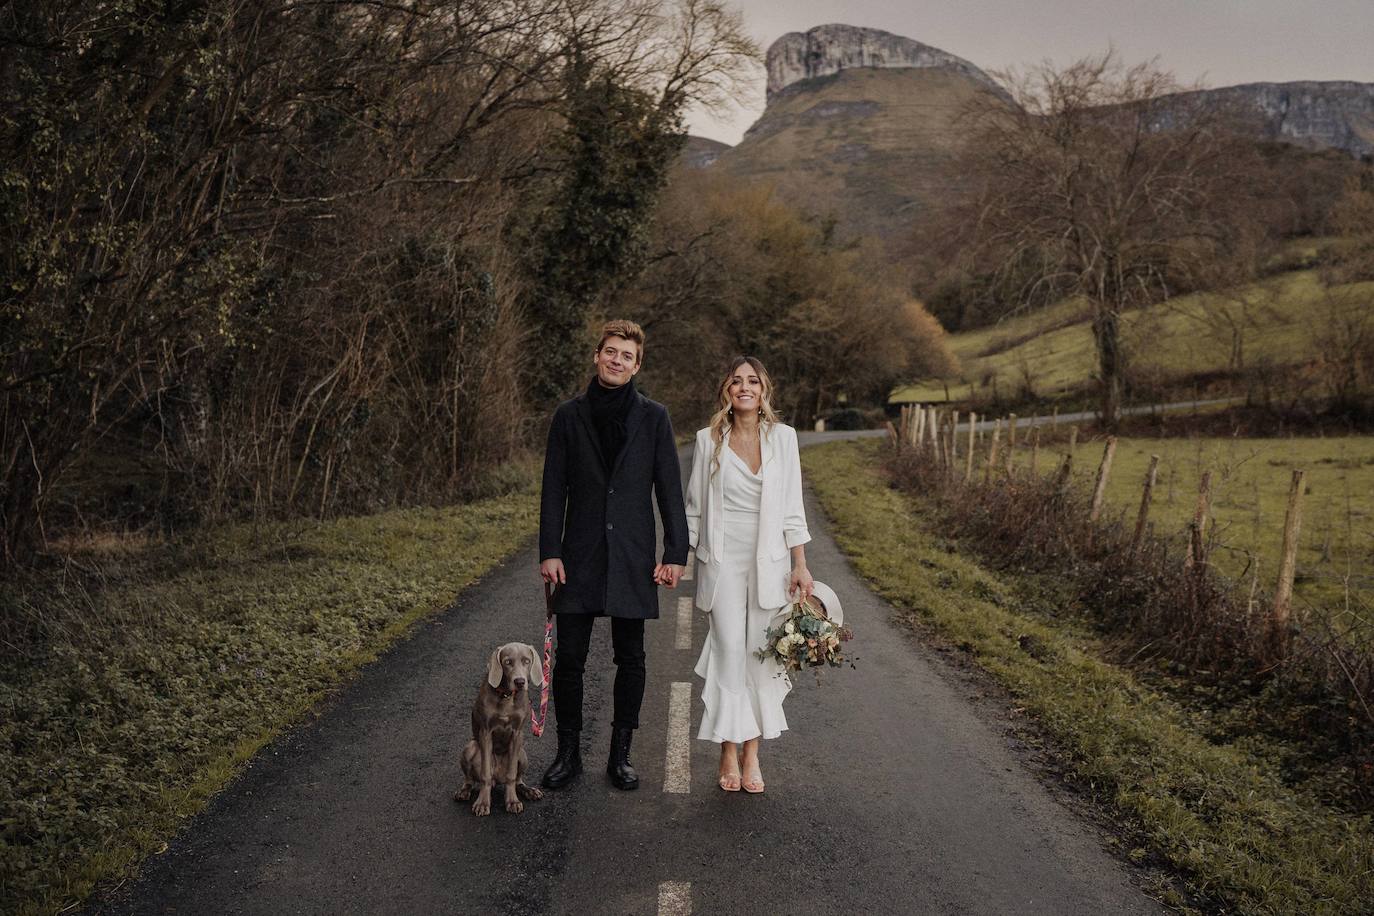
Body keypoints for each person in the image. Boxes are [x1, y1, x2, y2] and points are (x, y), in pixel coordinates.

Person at [538, 319, 689, 791]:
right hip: (578, 555)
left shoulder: (654, 417)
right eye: (610, 351)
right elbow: (552, 490)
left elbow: (668, 488)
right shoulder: (568, 416)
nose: (616, 360)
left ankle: (620, 756)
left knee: (632, 657)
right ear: (596, 355)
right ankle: (567, 755)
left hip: (632, 554)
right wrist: (550, 551)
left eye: (626, 355)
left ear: (637, 364)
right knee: (570, 660)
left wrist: (676, 552)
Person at [684, 356, 812, 794]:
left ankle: (752, 753)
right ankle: (726, 749)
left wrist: (800, 564)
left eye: (752, 381)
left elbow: (793, 508)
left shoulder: (785, 439)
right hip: (721, 564)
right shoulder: (708, 440)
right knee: (728, 655)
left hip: (770, 565)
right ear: (726, 390)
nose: (744, 387)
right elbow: (695, 509)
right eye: (736, 381)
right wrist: (675, 559)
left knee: (761, 657)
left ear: (763, 390)